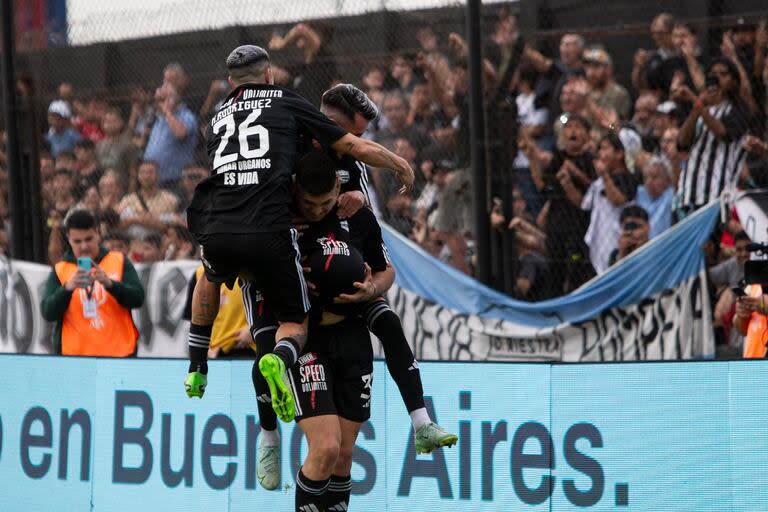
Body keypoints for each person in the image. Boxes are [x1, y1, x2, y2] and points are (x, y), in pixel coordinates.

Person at [184, 45, 414, 425]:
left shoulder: (217, 118)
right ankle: (280, 371)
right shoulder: (289, 104)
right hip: (272, 232)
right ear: (270, 75)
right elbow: (352, 145)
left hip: (218, 225)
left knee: (209, 277)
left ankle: (196, 367)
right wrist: (398, 163)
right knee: (294, 326)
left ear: (230, 83)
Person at [250, 91, 456, 491]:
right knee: (268, 347)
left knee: (343, 453)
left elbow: (381, 263)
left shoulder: (350, 182)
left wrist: (370, 286)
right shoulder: (283, 152)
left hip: (350, 316)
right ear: (329, 123)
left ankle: (422, 421)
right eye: (350, 135)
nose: (354, 146)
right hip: (294, 304)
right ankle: (269, 436)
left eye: (360, 138)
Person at [40, 209, 144, 356]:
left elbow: (138, 298)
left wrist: (110, 284)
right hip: (75, 359)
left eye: (88, 239)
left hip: (120, 356)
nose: (83, 246)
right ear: (69, 239)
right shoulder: (60, 269)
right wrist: (67, 289)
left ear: (98, 234)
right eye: (77, 241)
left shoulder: (118, 260)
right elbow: (48, 312)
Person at [674, 57, 751, 216]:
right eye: (713, 74)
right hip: (690, 192)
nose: (717, 78)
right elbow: (682, 142)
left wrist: (698, 104)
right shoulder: (699, 107)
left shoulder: (738, 110)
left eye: (723, 74)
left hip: (718, 195)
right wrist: (698, 107)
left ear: (733, 81)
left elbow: (724, 134)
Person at [581, 132, 638, 274]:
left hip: (616, 239)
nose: (601, 154)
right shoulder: (599, 181)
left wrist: (605, 176)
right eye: (600, 149)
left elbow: (618, 200)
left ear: (619, 153)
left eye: (605, 149)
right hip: (598, 241)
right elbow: (584, 204)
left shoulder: (627, 178)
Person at [143, 83, 197, 191]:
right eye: (159, 100)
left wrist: (167, 111)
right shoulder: (159, 118)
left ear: (174, 99)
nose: (160, 103)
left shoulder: (186, 115)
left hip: (174, 181)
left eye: (164, 99)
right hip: (154, 181)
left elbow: (180, 133)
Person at [636, 156, 673, 238]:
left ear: (667, 179)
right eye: (645, 178)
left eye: (654, 177)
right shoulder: (640, 194)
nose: (649, 182)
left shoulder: (671, 194)